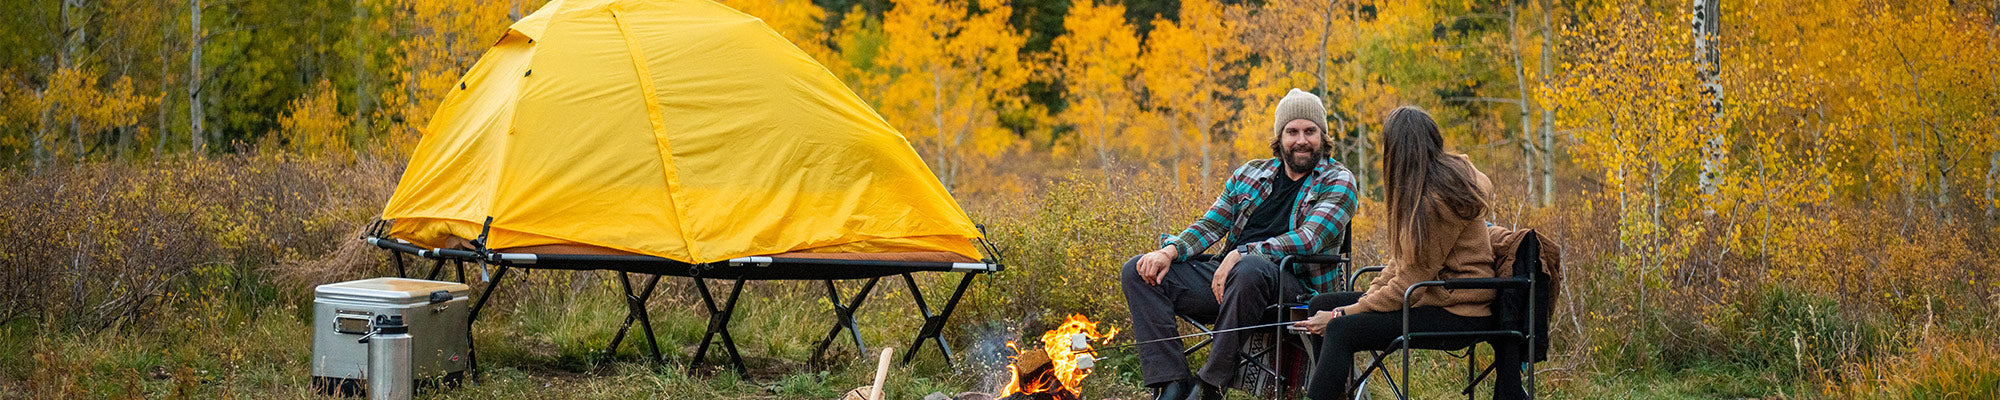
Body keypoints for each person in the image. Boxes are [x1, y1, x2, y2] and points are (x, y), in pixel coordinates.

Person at [1121, 89, 1360, 400]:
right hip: (1231, 283)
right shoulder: (1250, 174)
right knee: (1137, 271)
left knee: (1250, 268)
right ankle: (1172, 384)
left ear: (1323, 136)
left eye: (1310, 131)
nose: (1301, 140)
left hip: (1294, 289)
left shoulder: (1338, 180)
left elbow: (1309, 238)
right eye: (1292, 132)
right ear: (1280, 137)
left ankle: (1210, 385)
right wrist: (1169, 251)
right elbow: (1211, 224)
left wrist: (1242, 253)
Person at [1292, 106, 1527, 400]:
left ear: (1397, 153)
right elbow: (1404, 261)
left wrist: (1344, 313)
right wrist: (1365, 299)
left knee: (1340, 328)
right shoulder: (1431, 185)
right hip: (1435, 295)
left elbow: (1409, 283)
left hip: (1460, 310)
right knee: (1320, 304)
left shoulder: (1439, 200)